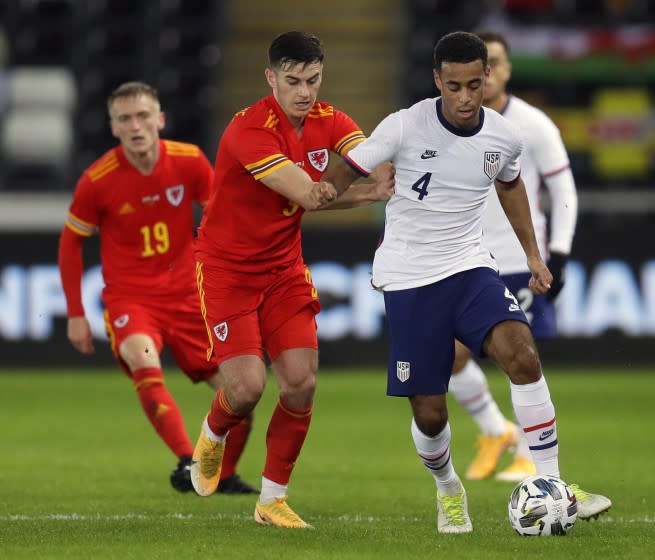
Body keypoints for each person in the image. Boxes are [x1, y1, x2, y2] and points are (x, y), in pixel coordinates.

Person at [335, 31, 610, 533]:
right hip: (409, 276)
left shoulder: (505, 136)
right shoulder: (403, 126)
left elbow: (512, 187)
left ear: (488, 80)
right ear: (438, 80)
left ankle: (552, 484)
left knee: (522, 355)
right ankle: (448, 489)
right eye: (454, 86)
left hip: (469, 266)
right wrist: (321, 194)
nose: (465, 97)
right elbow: (344, 170)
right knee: (431, 413)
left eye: (475, 85)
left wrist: (534, 255)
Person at [188, 31, 394, 529]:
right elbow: (309, 196)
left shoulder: (331, 120)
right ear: (271, 78)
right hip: (226, 272)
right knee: (248, 388)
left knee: (300, 383)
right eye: (293, 80)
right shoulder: (248, 131)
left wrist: (384, 168)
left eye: (313, 80)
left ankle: (271, 500)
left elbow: (374, 153)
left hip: (283, 270)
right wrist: (371, 192)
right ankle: (215, 432)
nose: (305, 92)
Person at [58, 81, 257, 495]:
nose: (135, 125)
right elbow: (70, 242)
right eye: (125, 118)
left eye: (143, 115)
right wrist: (76, 313)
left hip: (190, 296)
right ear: (113, 127)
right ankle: (188, 459)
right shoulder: (98, 180)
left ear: (160, 120)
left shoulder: (187, 161)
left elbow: (223, 214)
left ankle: (220, 475)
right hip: (131, 299)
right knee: (143, 361)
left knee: (242, 392)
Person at [449, 30, 579, 483]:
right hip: (464, 261)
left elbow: (563, 190)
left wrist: (557, 254)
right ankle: (495, 429)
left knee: (521, 359)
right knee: (448, 356)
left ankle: (528, 452)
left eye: (499, 63)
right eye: (487, 64)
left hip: (517, 262)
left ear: (503, 70)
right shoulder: (449, 122)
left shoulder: (533, 125)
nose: (492, 72)